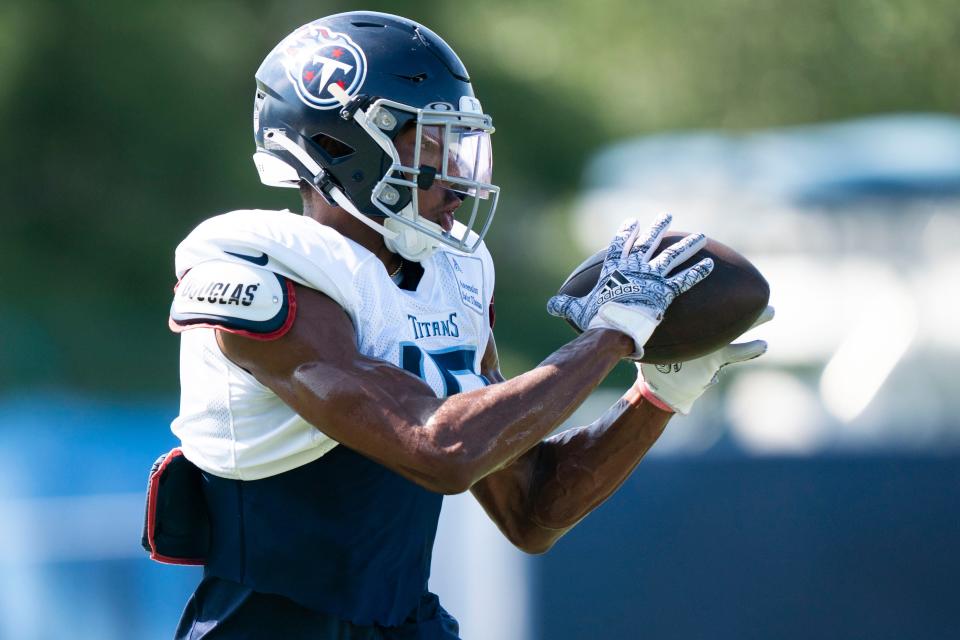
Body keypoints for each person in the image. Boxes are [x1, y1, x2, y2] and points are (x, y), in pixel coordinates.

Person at [163, 10, 771, 640]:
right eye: (430, 143)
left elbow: (532, 508)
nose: (456, 171)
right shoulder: (257, 270)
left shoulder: (450, 273)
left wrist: (657, 395)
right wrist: (611, 335)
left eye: (460, 142)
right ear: (342, 146)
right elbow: (440, 450)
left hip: (404, 624)